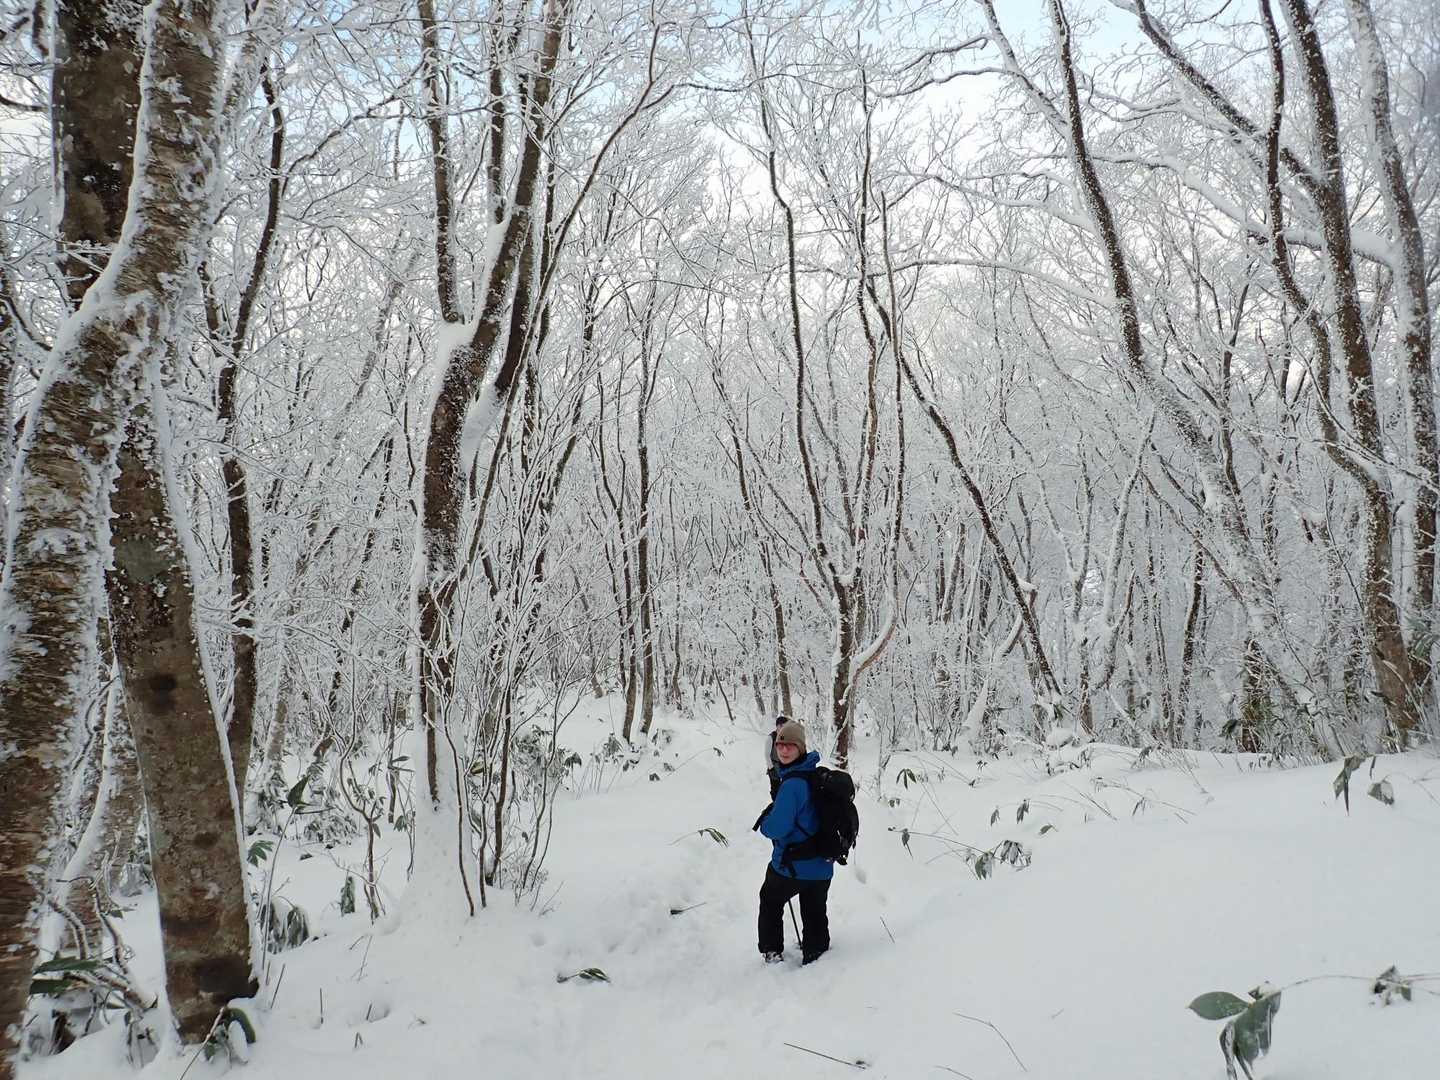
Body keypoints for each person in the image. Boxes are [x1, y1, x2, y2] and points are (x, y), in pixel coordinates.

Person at [755, 720, 832, 965]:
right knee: (814, 909)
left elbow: (777, 827)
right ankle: (816, 953)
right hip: (823, 863)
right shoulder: (815, 775)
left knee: (770, 899)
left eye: (790, 745)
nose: (784, 750)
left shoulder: (792, 785)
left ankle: (771, 950)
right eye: (780, 745)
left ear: (801, 748)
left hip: (793, 865)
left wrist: (765, 824)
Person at [763, 713, 789, 798]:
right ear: (778, 726)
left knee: (785, 788)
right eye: (782, 726)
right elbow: (767, 755)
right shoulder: (771, 738)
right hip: (774, 767)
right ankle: (776, 803)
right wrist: (771, 769)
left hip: (784, 767)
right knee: (775, 790)